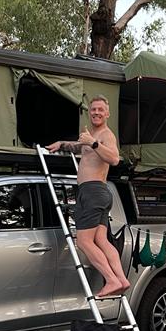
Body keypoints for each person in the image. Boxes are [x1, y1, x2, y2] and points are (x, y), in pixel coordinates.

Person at [47, 95, 130, 297]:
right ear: (89, 112)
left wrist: (93, 143)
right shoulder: (91, 135)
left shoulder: (105, 135)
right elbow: (79, 145)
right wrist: (61, 143)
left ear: (107, 113)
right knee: (101, 240)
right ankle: (121, 279)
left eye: (101, 109)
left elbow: (114, 159)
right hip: (97, 193)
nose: (96, 113)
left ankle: (110, 280)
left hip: (93, 192)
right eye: (93, 109)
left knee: (84, 241)